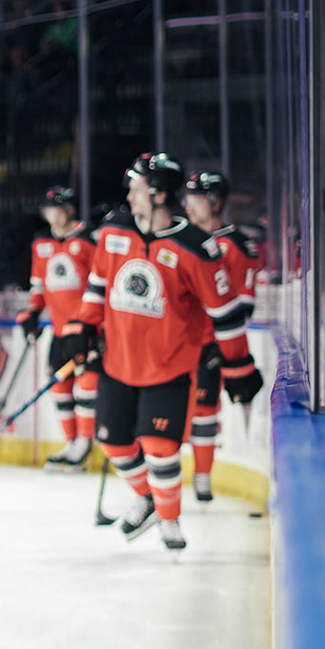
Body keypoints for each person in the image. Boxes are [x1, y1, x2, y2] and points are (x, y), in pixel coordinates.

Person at [56, 154, 261, 551]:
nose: (129, 197)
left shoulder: (196, 248)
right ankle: (149, 499)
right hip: (117, 364)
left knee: (160, 448)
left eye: (136, 189)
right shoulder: (113, 232)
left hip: (169, 370)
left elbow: (225, 313)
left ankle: (169, 519)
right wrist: (83, 327)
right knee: (114, 444)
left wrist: (238, 365)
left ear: (158, 194)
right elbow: (97, 286)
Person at [180, 171, 260, 502]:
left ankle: (202, 477)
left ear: (215, 203)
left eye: (196, 200)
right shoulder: (184, 240)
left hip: (212, 346)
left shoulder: (235, 245)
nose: (188, 207)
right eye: (187, 199)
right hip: (179, 342)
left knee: (204, 411)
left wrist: (221, 344)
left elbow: (243, 303)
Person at [16, 185, 101, 469]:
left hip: (86, 329)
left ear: (69, 210)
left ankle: (84, 444)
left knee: (86, 386)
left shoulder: (88, 240)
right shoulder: (41, 244)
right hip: (60, 330)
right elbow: (38, 287)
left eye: (58, 209)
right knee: (60, 387)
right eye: (48, 210)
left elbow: (100, 284)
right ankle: (71, 442)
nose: (53, 215)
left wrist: (94, 323)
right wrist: (32, 313)